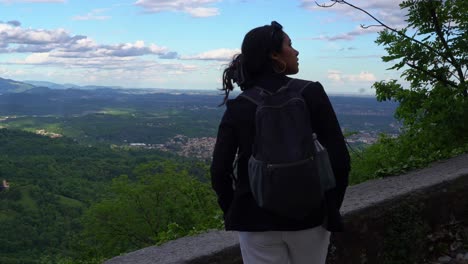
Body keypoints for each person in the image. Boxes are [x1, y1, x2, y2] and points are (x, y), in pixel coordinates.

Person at [210, 21, 351, 264]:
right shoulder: (311, 92)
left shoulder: (241, 104)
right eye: (290, 45)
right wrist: (328, 208)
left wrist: (234, 211)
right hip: (310, 217)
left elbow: (219, 171)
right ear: (274, 55)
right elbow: (340, 160)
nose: (296, 52)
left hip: (254, 220)